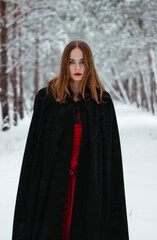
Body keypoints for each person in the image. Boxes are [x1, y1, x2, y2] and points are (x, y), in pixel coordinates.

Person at [12, 40, 129, 240]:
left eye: (82, 62)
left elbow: (111, 160)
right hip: (52, 184)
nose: (77, 67)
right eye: (71, 62)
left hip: (89, 185)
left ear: (89, 64)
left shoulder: (101, 102)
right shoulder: (48, 99)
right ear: (64, 64)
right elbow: (35, 152)